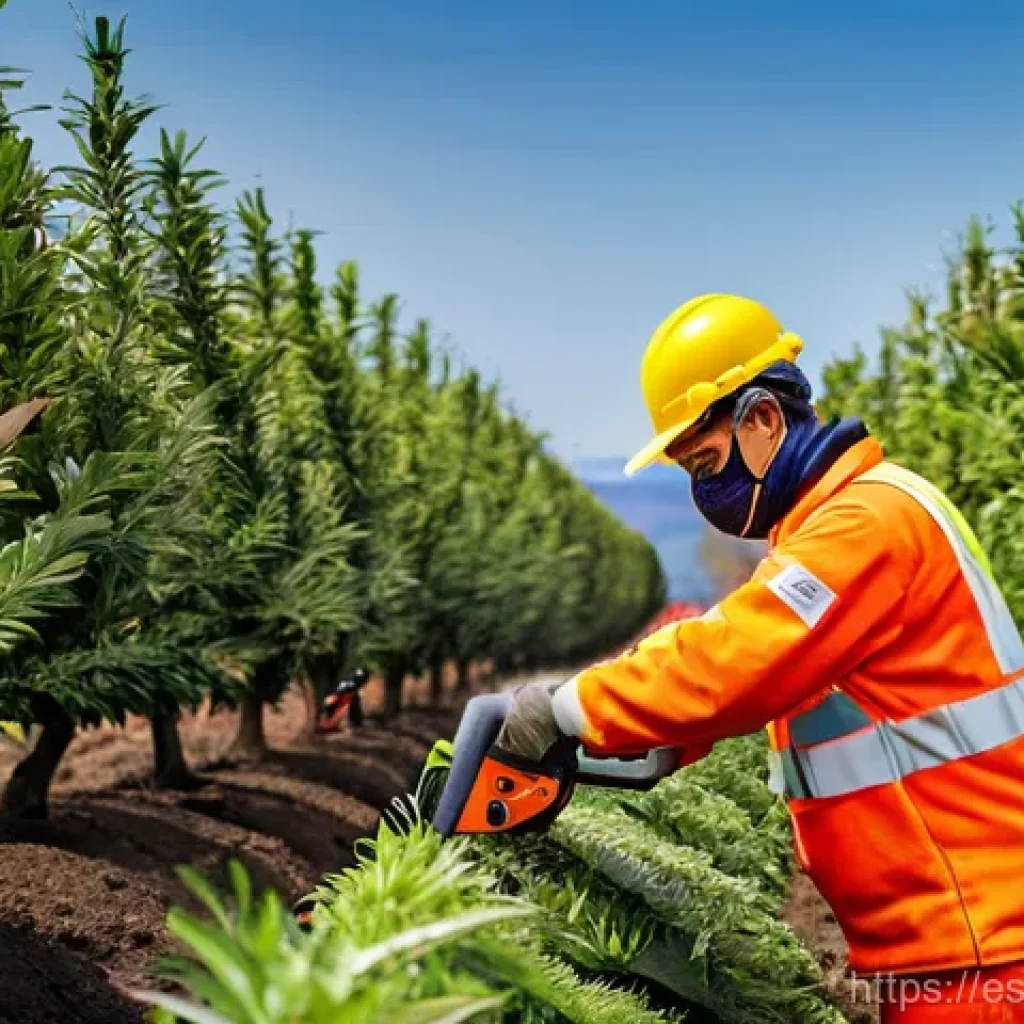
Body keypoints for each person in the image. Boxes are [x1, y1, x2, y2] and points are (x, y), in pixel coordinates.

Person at [496, 294, 1024, 1023]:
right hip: (952, 932)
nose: (703, 489)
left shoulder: (864, 524)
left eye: (706, 460)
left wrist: (566, 709)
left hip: (979, 944)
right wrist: (642, 730)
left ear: (764, 420)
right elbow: (760, 662)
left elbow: (736, 663)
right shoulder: (830, 530)